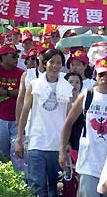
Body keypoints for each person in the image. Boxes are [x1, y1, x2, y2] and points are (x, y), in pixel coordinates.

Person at [59, 56, 107, 197]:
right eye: (101, 74)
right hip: (89, 161)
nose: (105, 79)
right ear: (95, 75)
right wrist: (62, 151)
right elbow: (68, 123)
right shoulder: (87, 95)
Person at [15, 49, 72, 197]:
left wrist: (68, 143)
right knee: (37, 187)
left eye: (58, 63)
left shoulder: (67, 86)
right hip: (37, 143)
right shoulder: (34, 85)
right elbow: (25, 111)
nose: (55, 66)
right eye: (51, 62)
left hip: (57, 146)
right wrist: (19, 139)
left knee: (56, 189)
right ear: (45, 63)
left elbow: (70, 118)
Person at [0, 44, 24, 166]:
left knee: (16, 151)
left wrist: (6, 92)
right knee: (1, 151)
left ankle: (18, 179)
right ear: (3, 57)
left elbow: (23, 92)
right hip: (0, 118)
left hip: (16, 119)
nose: (16, 58)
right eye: (13, 56)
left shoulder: (21, 73)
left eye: (17, 56)